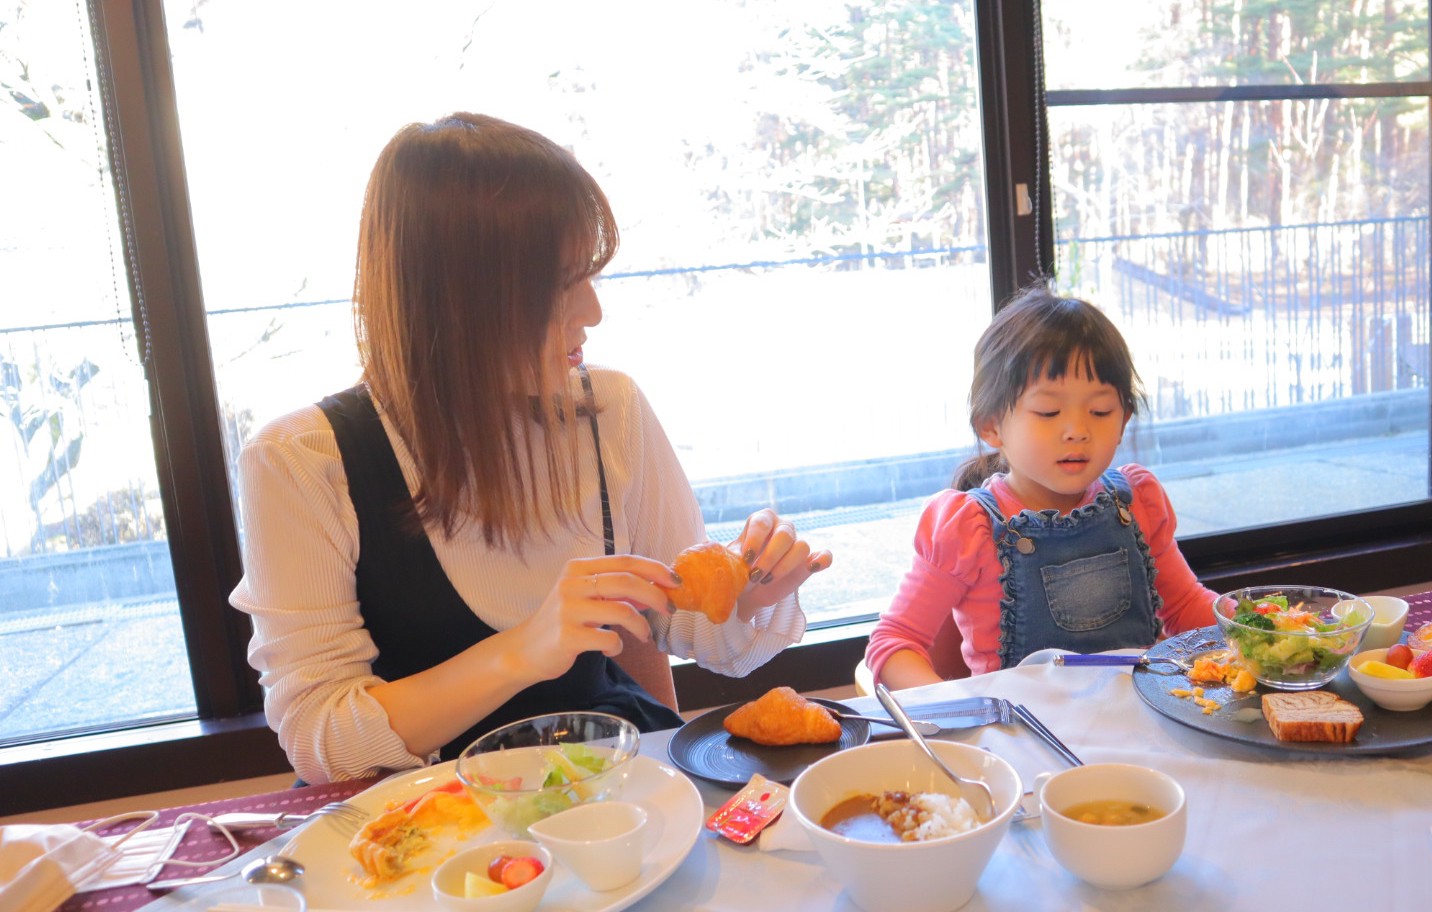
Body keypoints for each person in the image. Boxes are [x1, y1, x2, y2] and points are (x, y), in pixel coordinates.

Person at [230, 112, 832, 784]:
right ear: (456, 299)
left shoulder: (609, 410)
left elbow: (693, 632)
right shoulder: (302, 459)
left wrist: (751, 595)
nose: (593, 312)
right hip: (429, 821)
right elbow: (319, 741)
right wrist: (523, 651)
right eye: (560, 283)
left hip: (611, 791)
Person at [866, 285, 1215, 689]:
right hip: (1021, 738)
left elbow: (1188, 609)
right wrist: (958, 713)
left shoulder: (1136, 502)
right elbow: (894, 643)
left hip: (1141, 729)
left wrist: (1261, 625)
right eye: (1049, 411)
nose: (1077, 432)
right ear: (992, 425)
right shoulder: (967, 527)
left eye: (1100, 411)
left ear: (1124, 420)